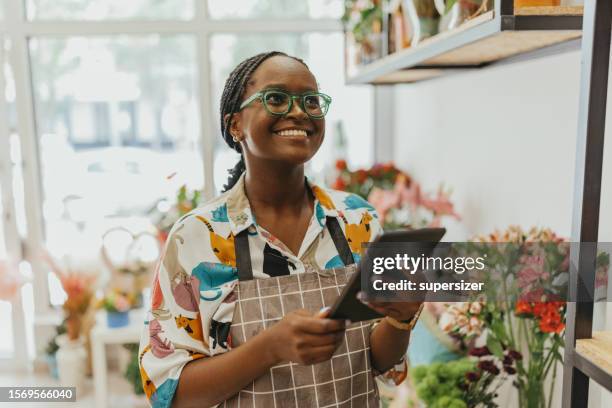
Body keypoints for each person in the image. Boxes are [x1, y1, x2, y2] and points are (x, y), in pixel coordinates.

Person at [138, 51, 423, 408]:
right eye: (275, 98)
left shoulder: (358, 220)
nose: (299, 112)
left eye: (311, 101)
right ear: (235, 124)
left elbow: (377, 363)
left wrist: (401, 320)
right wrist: (270, 347)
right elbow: (171, 393)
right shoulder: (196, 237)